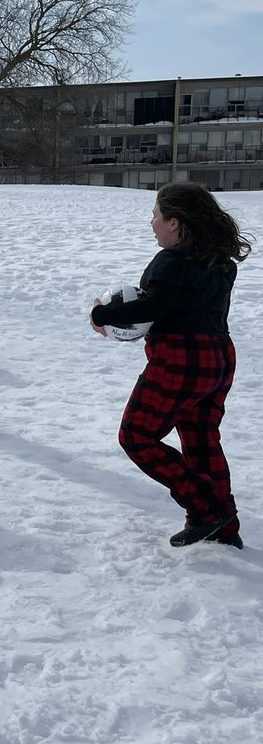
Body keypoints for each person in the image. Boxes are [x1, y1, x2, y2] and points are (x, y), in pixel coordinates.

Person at [91, 182, 250, 549]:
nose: (152, 224)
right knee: (201, 438)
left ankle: (207, 509)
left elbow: (152, 307)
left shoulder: (171, 260)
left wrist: (102, 314)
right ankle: (223, 527)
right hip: (219, 357)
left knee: (136, 436)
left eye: (156, 216)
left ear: (175, 222)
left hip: (180, 359)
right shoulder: (220, 261)